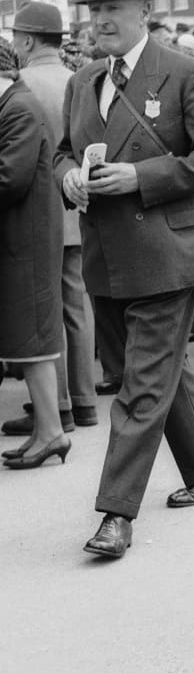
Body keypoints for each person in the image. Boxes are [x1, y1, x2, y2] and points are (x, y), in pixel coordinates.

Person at [53, 0, 194, 559]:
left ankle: (115, 513)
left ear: (145, 10)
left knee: (138, 385)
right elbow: (60, 154)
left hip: (167, 253)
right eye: (95, 10)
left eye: (113, 8)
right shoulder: (83, 81)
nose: (101, 20)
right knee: (160, 373)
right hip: (107, 258)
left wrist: (140, 176)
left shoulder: (186, 74)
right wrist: (68, 182)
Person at [3, 1, 98, 440]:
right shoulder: (80, 80)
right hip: (78, 205)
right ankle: (85, 401)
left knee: (44, 313)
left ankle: (54, 408)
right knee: (76, 305)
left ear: (24, 40)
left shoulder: (20, 85)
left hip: (34, 217)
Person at [0, 38, 68, 470]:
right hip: (21, 238)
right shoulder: (14, 104)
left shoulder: (18, 107)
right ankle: (47, 430)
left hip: (26, 240)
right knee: (27, 342)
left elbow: (11, 178)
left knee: (33, 341)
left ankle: (51, 432)